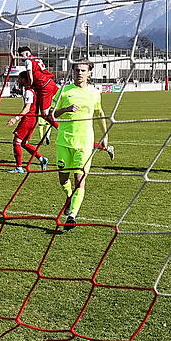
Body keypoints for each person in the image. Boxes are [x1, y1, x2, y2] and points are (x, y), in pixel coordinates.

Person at [52, 60, 111, 228]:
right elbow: (52, 114)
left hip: (84, 143)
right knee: (63, 178)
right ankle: (69, 197)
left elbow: (99, 113)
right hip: (64, 141)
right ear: (72, 71)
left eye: (83, 70)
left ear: (89, 73)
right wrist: (65, 109)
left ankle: (72, 215)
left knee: (80, 178)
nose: (80, 73)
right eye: (77, 70)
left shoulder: (94, 93)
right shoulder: (63, 91)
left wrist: (105, 135)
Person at [6, 71, 48, 173]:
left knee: (17, 142)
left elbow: (27, 108)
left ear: (24, 79)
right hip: (33, 119)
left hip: (28, 119)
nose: (18, 81)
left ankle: (19, 167)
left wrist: (15, 119)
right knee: (24, 143)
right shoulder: (32, 90)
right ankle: (42, 159)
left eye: (19, 78)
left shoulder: (29, 91)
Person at [16, 46, 60, 128]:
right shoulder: (37, 59)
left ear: (26, 53)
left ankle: (60, 128)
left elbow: (30, 75)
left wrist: (29, 85)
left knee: (44, 113)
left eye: (21, 55)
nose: (21, 57)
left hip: (44, 86)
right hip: (51, 83)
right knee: (54, 106)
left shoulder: (28, 61)